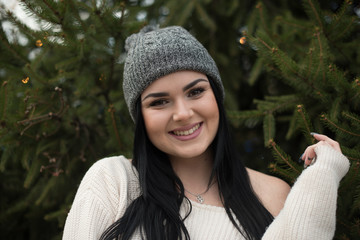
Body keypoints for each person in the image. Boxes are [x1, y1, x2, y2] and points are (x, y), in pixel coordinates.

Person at [62, 26, 350, 240]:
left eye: (196, 91)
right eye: (159, 102)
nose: (183, 113)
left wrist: (323, 175)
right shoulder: (114, 181)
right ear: (141, 119)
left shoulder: (271, 194)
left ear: (216, 97)